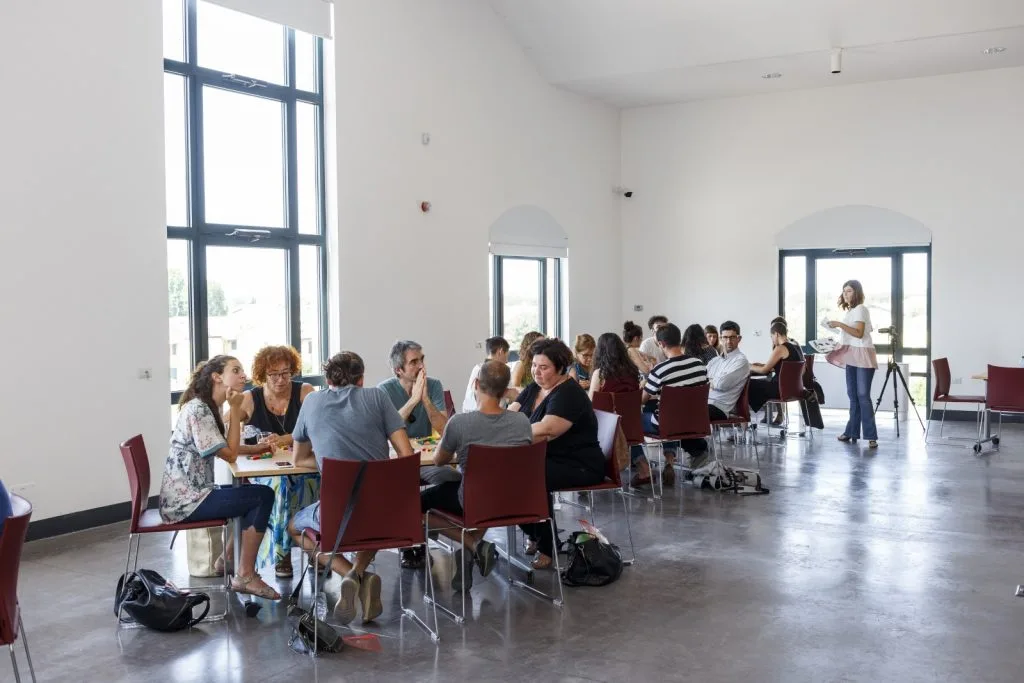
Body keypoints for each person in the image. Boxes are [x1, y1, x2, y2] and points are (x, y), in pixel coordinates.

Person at [288, 351, 414, 625]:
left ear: (327, 378)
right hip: (386, 516)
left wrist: (329, 462)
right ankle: (359, 574)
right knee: (374, 518)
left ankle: (349, 574)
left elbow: (298, 458)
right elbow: (406, 453)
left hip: (336, 515)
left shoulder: (311, 402)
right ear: (361, 379)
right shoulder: (378, 397)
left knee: (294, 528)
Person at [159, 356, 279, 600]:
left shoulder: (207, 407)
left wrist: (255, 449)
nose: (243, 375)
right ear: (217, 377)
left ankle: (227, 560)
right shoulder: (199, 410)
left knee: (250, 492)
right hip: (186, 502)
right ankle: (244, 575)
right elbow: (229, 453)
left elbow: (223, 446)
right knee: (262, 495)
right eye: (236, 370)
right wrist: (235, 410)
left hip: (195, 493)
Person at [423, 360, 533, 591]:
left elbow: (439, 461)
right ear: (505, 392)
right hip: (517, 500)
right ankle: (470, 551)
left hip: (474, 501)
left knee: (415, 505)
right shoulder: (522, 422)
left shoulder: (461, 423)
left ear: (475, 384)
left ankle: (472, 543)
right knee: (485, 490)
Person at [509, 338, 605, 569]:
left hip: (580, 464)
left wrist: (505, 433)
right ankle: (535, 532)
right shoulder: (534, 388)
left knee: (528, 476)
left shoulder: (568, 393)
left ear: (560, 368)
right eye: (534, 365)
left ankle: (546, 544)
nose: (536, 372)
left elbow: (547, 430)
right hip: (548, 460)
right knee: (510, 474)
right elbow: (510, 415)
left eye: (544, 367)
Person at [237, 345, 318, 579]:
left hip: (302, 466)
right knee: (280, 488)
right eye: (274, 374)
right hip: (266, 469)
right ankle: (283, 556)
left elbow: (318, 427)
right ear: (263, 375)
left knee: (305, 483)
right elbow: (227, 431)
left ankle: (314, 548)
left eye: (286, 373)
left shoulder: (306, 392)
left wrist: (283, 438)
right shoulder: (250, 399)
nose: (281, 379)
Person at [378, 339, 455, 569]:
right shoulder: (384, 390)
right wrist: (412, 400)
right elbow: (386, 428)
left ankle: (425, 526)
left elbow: (444, 429)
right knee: (401, 488)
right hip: (399, 461)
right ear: (398, 370)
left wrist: (425, 400)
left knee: (454, 480)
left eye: (422, 359)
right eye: (414, 362)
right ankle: (411, 545)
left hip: (428, 459)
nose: (421, 365)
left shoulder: (433, 385)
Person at [637, 323, 710, 487]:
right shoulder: (699, 365)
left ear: (661, 344)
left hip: (668, 425)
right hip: (695, 422)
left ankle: (642, 468)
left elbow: (641, 400)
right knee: (664, 411)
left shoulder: (660, 370)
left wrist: (645, 383)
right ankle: (670, 461)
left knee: (632, 420)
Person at [826, 280, 879, 448]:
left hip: (863, 355)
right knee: (853, 396)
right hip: (851, 355)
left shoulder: (861, 309)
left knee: (863, 396)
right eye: (844, 291)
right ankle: (851, 432)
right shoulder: (850, 312)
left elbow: (858, 333)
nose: (845, 294)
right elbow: (849, 336)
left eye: (849, 291)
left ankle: (871, 436)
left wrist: (839, 324)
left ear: (856, 292)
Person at [748, 321, 805, 414]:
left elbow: (764, 370)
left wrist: (749, 366)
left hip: (780, 389)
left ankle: (745, 418)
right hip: (795, 389)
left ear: (776, 334)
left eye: (771, 336)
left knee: (748, 384)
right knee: (759, 384)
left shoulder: (780, 348)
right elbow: (784, 368)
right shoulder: (795, 346)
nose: (772, 339)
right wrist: (758, 365)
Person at [706, 321, 750, 421]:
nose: (728, 341)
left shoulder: (741, 361)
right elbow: (702, 379)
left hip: (719, 408)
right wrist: (712, 381)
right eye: (725, 337)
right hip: (705, 402)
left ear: (739, 339)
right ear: (721, 338)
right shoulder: (715, 361)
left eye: (732, 337)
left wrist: (711, 380)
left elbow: (722, 384)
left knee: (687, 411)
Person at [461, 336, 518, 412]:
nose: (507, 361)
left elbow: (509, 399)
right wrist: (507, 393)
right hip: (486, 416)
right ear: (500, 352)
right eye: (506, 356)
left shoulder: (477, 368)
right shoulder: (481, 370)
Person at [588, 332, 641, 399]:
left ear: (600, 352)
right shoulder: (632, 370)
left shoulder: (600, 374)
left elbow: (590, 401)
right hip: (631, 409)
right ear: (622, 350)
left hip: (607, 409)